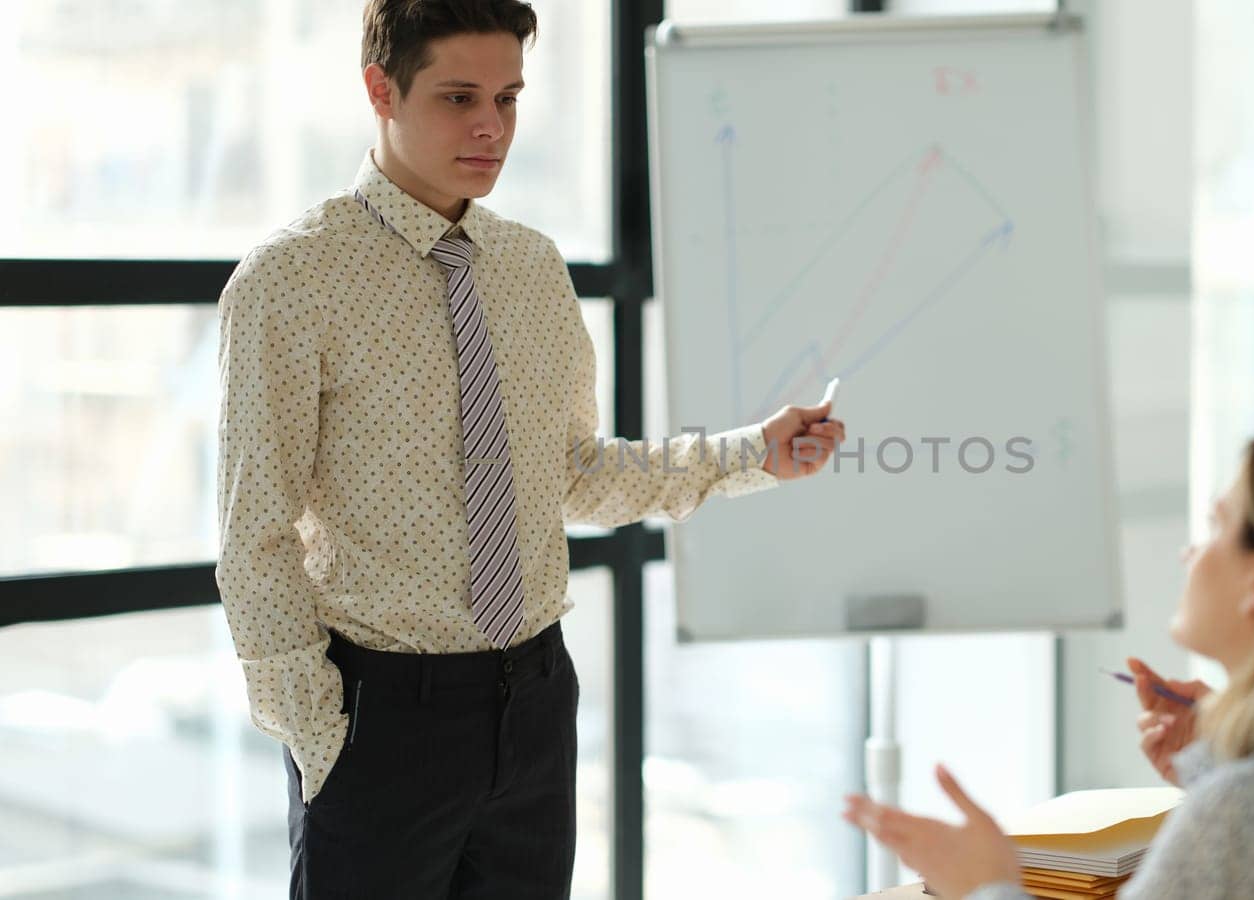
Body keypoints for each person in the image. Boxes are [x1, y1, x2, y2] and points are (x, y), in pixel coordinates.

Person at [214, 1, 845, 896]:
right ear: (379, 89)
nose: (491, 127)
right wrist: (319, 732)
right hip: (379, 720)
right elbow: (255, 535)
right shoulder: (290, 279)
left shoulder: (531, 268)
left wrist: (753, 455)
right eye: (459, 96)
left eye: (509, 98)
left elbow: (572, 476)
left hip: (537, 701)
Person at [845, 427, 1254, 900]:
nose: (1192, 552)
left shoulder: (1242, 819)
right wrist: (1227, 759)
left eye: (1217, 526)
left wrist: (986, 885)